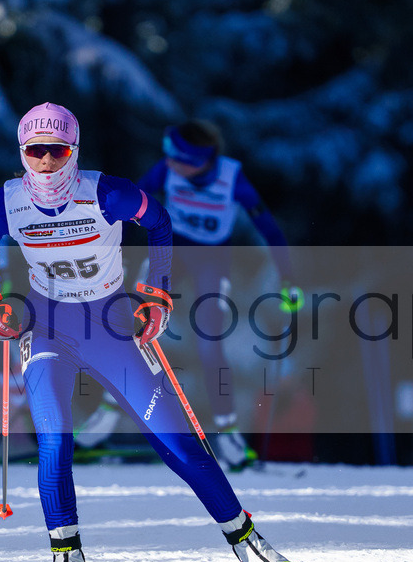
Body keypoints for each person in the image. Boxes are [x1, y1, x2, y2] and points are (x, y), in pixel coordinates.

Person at [0, 102, 320, 562]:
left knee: (177, 444)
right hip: (46, 326)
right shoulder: (6, 201)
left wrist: (157, 293)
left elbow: (159, 224)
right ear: (22, 153)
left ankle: (250, 546)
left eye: (57, 150)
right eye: (35, 151)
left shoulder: (107, 192)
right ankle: (67, 561)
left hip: (109, 324)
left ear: (74, 150)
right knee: (54, 440)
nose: (46, 162)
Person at [77, 120, 300, 470]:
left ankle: (228, 436)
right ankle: (105, 416)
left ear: (201, 161)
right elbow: (130, 199)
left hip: (211, 260)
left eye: (177, 157)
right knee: (132, 327)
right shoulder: (168, 168)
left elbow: (267, 226)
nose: (170, 163)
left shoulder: (231, 176)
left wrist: (288, 279)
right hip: (171, 253)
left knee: (209, 344)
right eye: (167, 154)